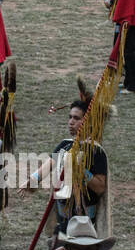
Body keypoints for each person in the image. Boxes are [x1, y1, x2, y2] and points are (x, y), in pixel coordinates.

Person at [28, 98, 109, 231]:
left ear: (88, 122)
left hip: (85, 223)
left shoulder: (96, 151)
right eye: (70, 117)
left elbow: (100, 187)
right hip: (62, 220)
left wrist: (81, 171)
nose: (71, 122)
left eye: (76, 118)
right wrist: (32, 180)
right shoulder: (65, 145)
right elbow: (48, 166)